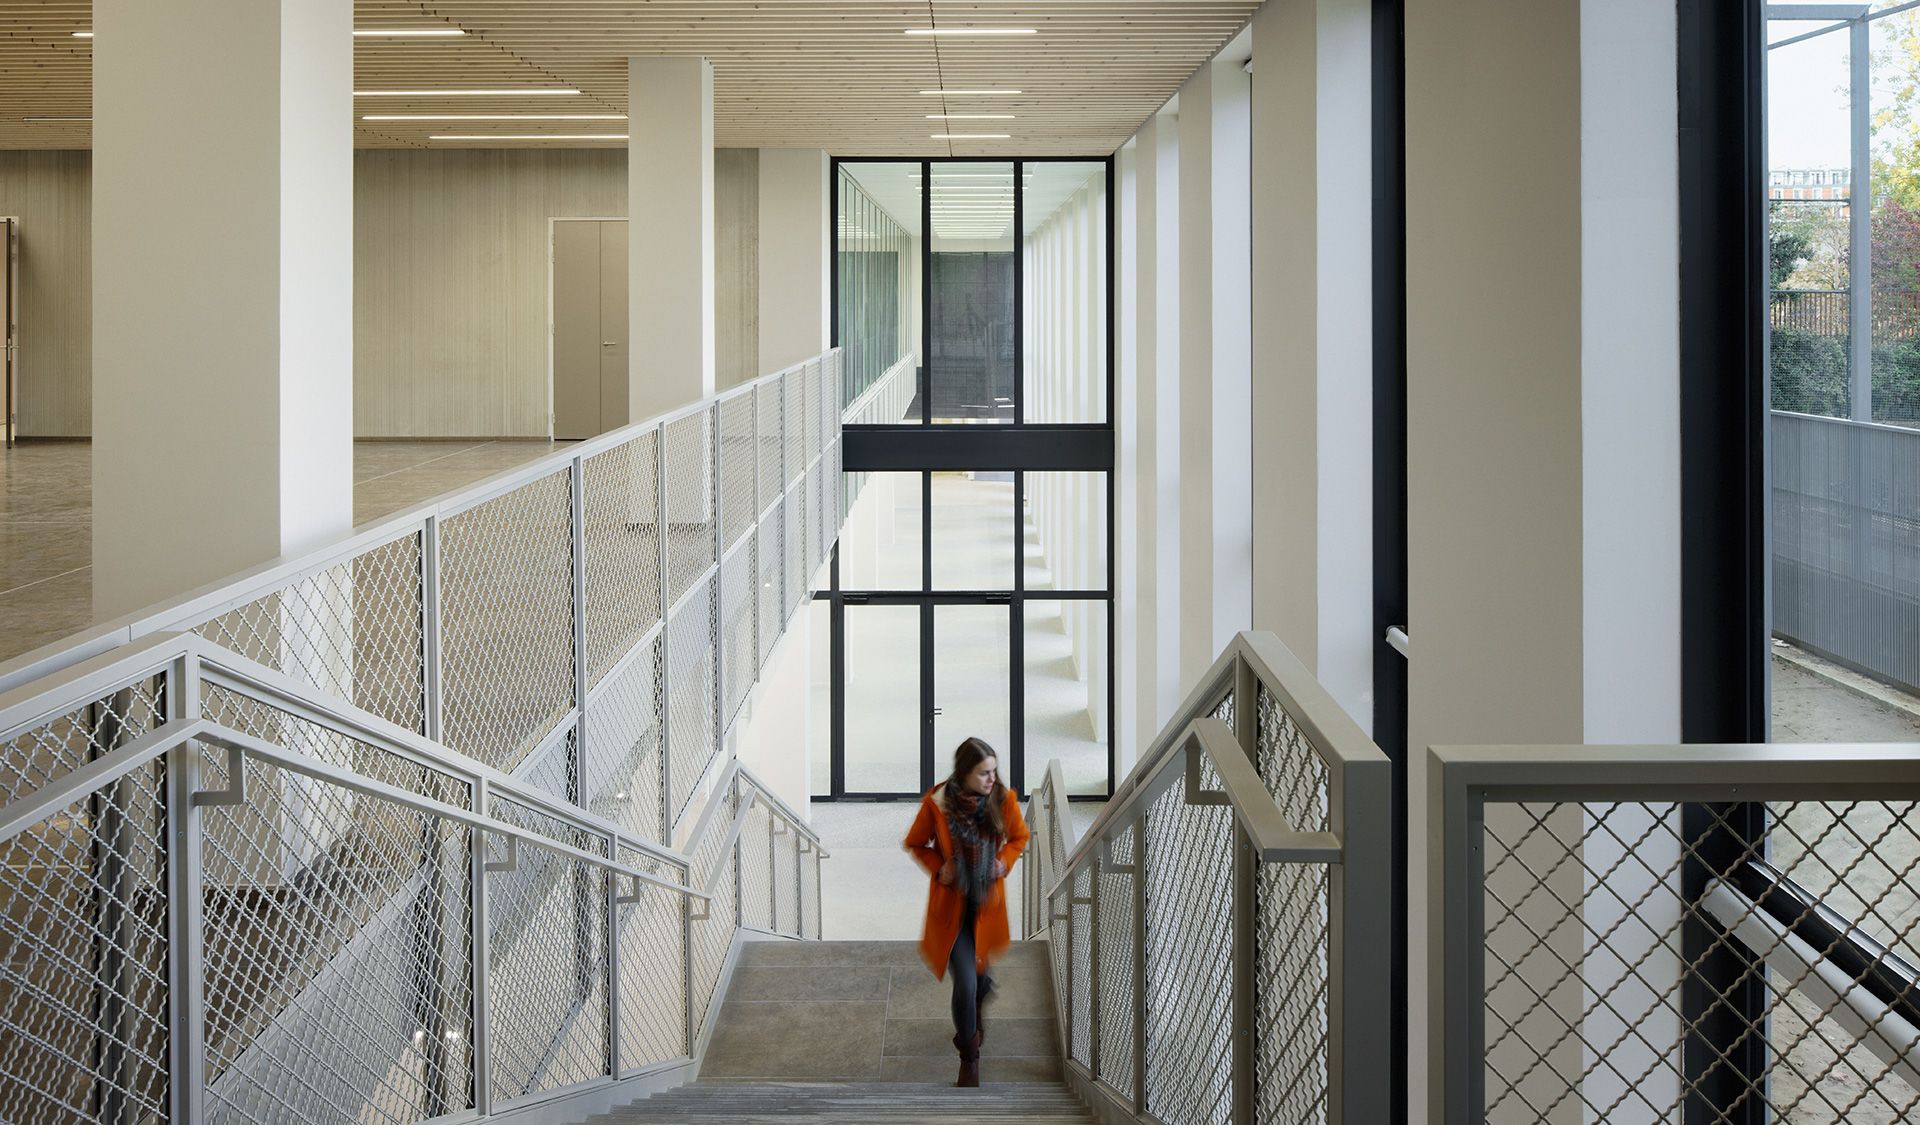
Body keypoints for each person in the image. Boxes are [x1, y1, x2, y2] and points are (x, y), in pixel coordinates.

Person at [902, 737, 1031, 1087]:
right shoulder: (938, 804)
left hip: (986, 906)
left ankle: (979, 996)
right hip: (953, 908)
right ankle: (969, 1057)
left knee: (979, 980)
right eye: (984, 773)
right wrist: (939, 867)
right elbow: (915, 843)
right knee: (965, 982)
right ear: (964, 773)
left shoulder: (1003, 800)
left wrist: (1004, 862)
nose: (992, 779)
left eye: (994, 771)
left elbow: (1019, 838)